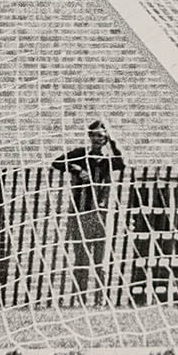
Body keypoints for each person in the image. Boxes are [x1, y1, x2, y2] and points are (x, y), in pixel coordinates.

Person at [52, 120, 125, 304]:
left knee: (101, 260)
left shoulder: (108, 160)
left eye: (100, 136)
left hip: (102, 213)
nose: (96, 139)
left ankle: (100, 300)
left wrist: (113, 142)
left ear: (106, 138)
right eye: (93, 135)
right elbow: (58, 162)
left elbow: (122, 163)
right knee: (81, 259)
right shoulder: (80, 154)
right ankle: (80, 299)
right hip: (82, 212)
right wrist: (77, 169)